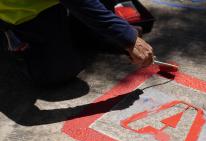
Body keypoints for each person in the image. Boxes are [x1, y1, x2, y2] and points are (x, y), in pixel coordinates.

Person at [0, 0, 154, 86]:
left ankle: (85, 30)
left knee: (91, 34)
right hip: (24, 8)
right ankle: (12, 35)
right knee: (56, 73)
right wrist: (126, 36)